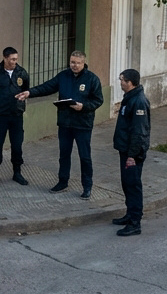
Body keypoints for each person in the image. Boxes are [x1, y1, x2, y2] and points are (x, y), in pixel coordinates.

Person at [17, 51, 104, 198]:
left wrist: (83, 106)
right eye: (72, 62)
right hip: (65, 123)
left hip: (82, 124)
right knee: (64, 155)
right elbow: (47, 87)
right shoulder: (63, 76)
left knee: (85, 156)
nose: (74, 65)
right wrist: (29, 93)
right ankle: (62, 181)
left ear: (84, 63)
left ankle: (87, 186)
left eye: (77, 63)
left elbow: (98, 100)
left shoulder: (92, 79)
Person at [0, 46, 30, 186]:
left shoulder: (21, 72)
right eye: (12, 59)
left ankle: (17, 173)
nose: (15, 61)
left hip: (16, 115)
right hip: (0, 116)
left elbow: (26, 89)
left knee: (17, 145)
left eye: (16, 59)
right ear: (5, 58)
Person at [112, 68, 150, 236]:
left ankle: (135, 222)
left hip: (132, 154)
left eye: (122, 80)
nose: (120, 83)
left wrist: (132, 156)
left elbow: (139, 131)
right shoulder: (130, 98)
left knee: (133, 186)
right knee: (127, 184)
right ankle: (129, 215)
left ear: (130, 83)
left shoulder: (139, 102)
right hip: (125, 150)